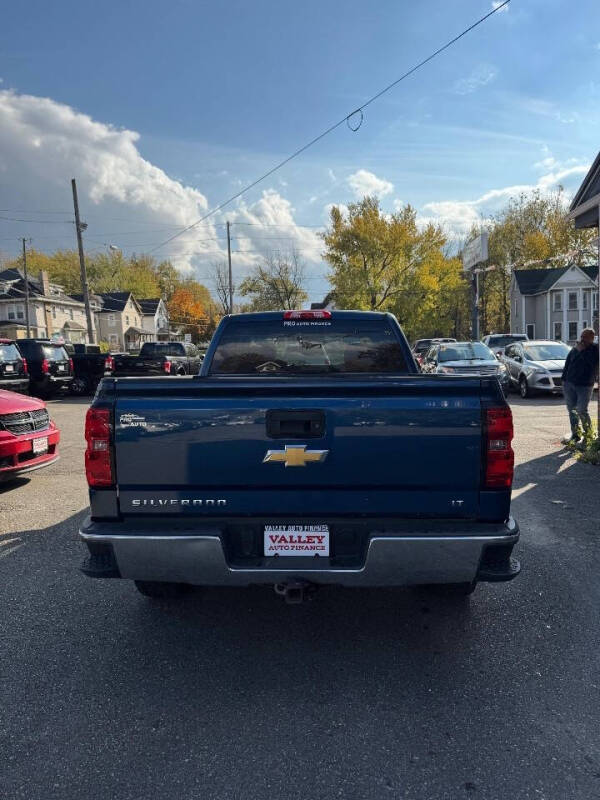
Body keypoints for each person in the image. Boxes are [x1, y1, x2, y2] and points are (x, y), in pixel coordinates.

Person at [561, 328, 599, 444]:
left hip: (585, 385)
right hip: (569, 383)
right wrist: (563, 379)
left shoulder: (595, 350)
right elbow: (568, 363)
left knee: (582, 410)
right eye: (581, 336)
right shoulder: (575, 349)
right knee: (572, 410)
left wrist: (582, 351)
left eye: (585, 337)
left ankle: (588, 435)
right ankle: (575, 435)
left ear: (592, 338)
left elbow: (592, 365)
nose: (582, 339)